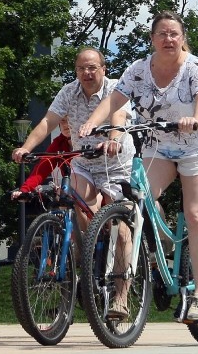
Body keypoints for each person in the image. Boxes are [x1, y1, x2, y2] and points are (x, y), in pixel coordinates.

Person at [79, 11, 198, 321]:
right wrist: (91, 124)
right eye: (162, 34)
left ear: (183, 38)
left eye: (174, 33)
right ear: (153, 39)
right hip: (158, 144)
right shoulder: (138, 70)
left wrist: (196, 120)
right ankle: (127, 288)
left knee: (196, 213)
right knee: (135, 201)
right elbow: (114, 100)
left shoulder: (196, 67)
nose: (168, 39)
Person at [12, 47, 134, 320]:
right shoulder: (68, 92)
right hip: (84, 164)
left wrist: (113, 139)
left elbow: (118, 117)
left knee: (121, 229)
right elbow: (48, 121)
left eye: (92, 67)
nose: (86, 73)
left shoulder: (116, 88)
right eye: (81, 68)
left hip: (116, 165)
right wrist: (26, 146)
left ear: (103, 68)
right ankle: (91, 258)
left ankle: (121, 298)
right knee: (80, 206)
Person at [10, 117, 72, 199]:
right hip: (71, 187)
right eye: (62, 121)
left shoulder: (87, 140)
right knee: (62, 200)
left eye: (69, 120)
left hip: (90, 182)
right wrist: (24, 190)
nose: (65, 124)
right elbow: (42, 168)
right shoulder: (59, 143)